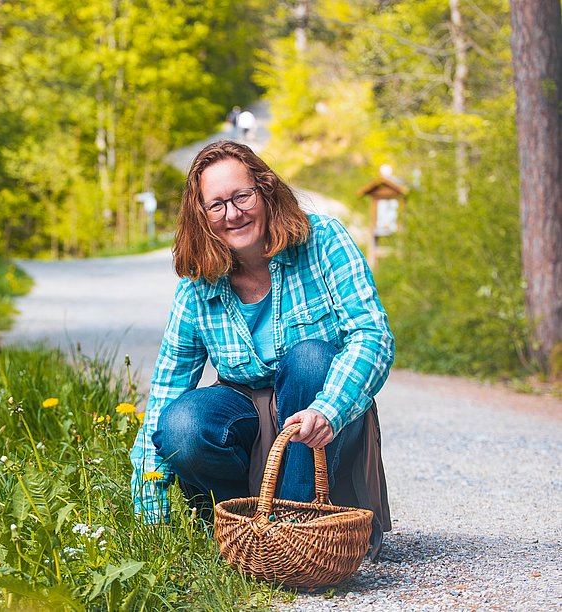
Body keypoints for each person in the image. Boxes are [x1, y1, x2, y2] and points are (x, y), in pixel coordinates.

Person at [130, 140, 394, 557]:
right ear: (201, 215)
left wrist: (330, 408)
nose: (232, 214)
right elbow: (168, 388)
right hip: (248, 420)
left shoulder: (324, 240)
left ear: (266, 189)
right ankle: (244, 528)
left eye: (241, 196)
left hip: (323, 416)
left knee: (308, 359)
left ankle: (301, 530)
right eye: (216, 205)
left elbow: (372, 335)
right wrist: (149, 503)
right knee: (180, 424)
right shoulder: (198, 286)